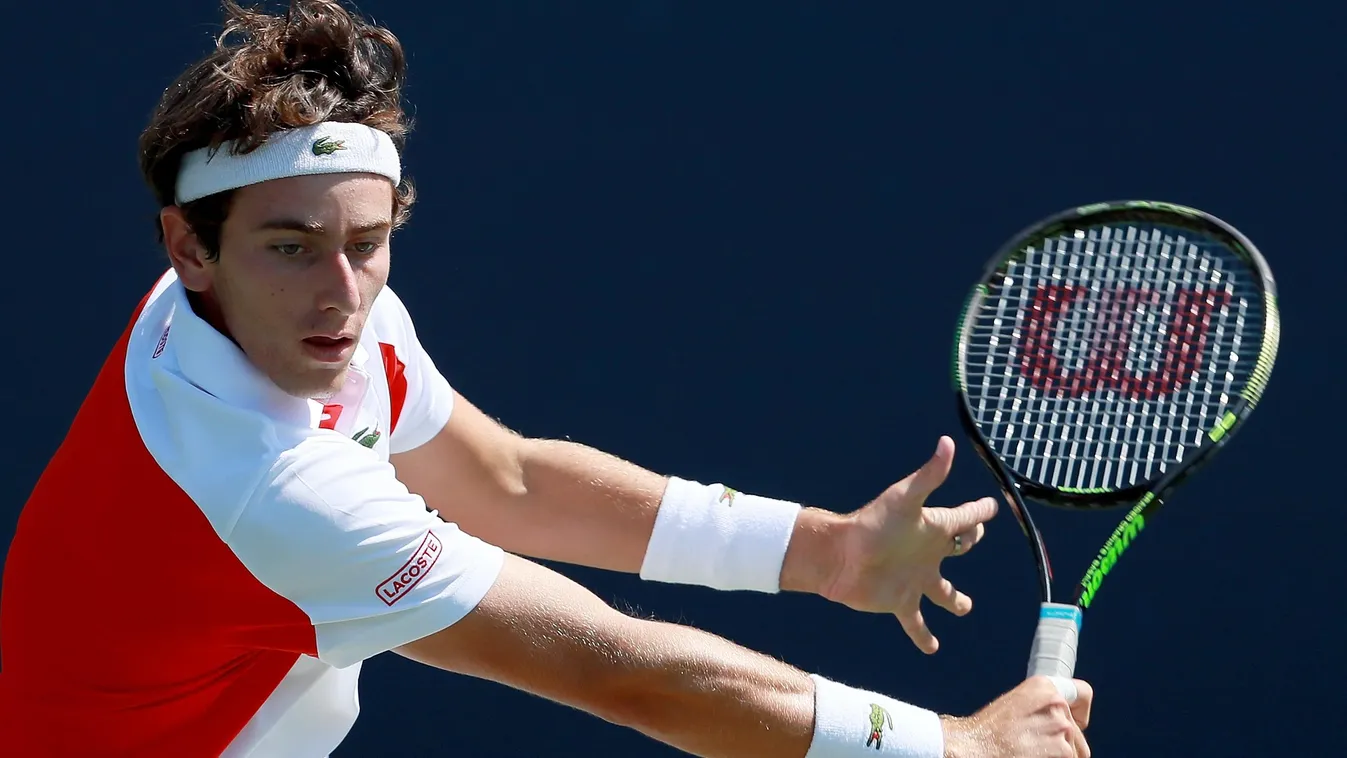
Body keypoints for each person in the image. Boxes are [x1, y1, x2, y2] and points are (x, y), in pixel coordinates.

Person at [0, 1, 1093, 756]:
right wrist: (951, 740)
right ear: (187, 247)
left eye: (368, 241)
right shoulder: (272, 487)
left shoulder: (263, 311)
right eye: (290, 247)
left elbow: (507, 479)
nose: (342, 289)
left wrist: (823, 550)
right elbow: (629, 674)